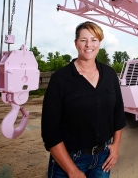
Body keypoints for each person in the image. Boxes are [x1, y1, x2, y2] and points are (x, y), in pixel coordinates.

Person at [41, 21, 126, 178]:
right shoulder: (60, 79)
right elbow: (49, 132)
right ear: (76, 43)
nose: (89, 45)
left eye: (94, 39)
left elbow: (118, 113)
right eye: (83, 40)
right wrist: (72, 171)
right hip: (69, 159)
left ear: (99, 43)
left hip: (103, 158)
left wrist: (116, 145)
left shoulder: (109, 74)